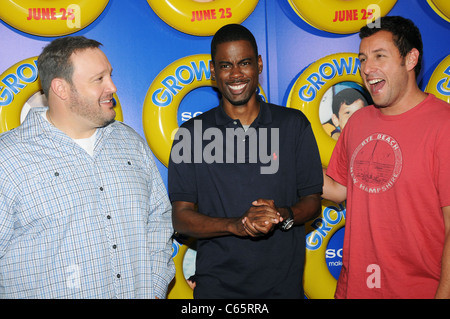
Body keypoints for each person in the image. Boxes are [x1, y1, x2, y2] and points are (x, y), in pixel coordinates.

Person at [0, 36, 175, 298]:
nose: (113, 87)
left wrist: (154, 287)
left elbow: (159, 221)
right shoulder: (9, 158)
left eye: (110, 76)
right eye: (99, 79)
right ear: (61, 89)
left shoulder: (131, 144)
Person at [168, 24, 323, 298]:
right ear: (213, 71)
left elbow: (312, 202)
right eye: (226, 65)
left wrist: (281, 215)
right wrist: (235, 225)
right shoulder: (190, 134)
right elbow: (181, 218)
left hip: (283, 289)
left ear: (259, 64)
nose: (236, 74)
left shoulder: (293, 125)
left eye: (245, 63)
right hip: (217, 290)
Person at [322, 16, 450, 298]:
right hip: (353, 290)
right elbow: (339, 189)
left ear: (411, 58)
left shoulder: (444, 124)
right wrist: (284, 158)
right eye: (363, 59)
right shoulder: (357, 122)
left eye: (380, 56)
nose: (367, 68)